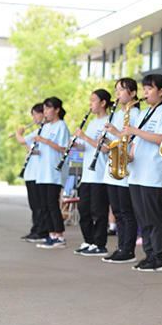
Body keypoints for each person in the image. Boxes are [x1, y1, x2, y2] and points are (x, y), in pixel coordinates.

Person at [123, 74, 162, 272]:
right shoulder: (146, 112)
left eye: (149, 89)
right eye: (144, 89)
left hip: (153, 173)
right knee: (142, 218)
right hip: (137, 172)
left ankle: (161, 258)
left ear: (161, 91)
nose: (145, 93)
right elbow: (137, 143)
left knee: (154, 217)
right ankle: (149, 254)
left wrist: (134, 131)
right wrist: (127, 156)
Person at [101, 78, 142, 264]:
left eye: (121, 90)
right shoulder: (117, 113)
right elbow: (115, 141)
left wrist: (117, 133)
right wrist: (106, 141)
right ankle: (120, 247)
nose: (117, 94)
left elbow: (133, 140)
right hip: (114, 166)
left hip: (128, 168)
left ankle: (128, 249)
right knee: (117, 211)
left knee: (126, 212)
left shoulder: (136, 113)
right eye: (116, 90)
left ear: (133, 93)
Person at [72, 90, 113, 256]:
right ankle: (88, 241)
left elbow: (105, 148)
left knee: (99, 211)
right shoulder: (91, 123)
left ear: (103, 103)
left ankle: (100, 244)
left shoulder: (109, 122)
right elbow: (87, 147)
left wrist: (85, 137)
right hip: (87, 174)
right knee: (84, 210)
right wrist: (75, 144)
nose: (91, 104)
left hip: (100, 174)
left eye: (93, 101)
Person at [33, 98, 71, 249]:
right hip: (42, 171)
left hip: (54, 171)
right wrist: (34, 150)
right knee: (44, 205)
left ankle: (59, 235)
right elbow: (43, 149)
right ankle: (51, 234)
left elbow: (63, 148)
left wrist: (44, 140)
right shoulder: (45, 126)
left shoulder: (61, 126)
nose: (46, 112)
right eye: (44, 109)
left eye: (48, 109)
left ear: (56, 109)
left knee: (52, 203)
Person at [16, 103, 45, 242]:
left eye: (35, 114)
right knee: (34, 205)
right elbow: (30, 149)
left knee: (38, 205)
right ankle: (36, 229)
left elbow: (22, 141)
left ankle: (40, 230)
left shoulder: (42, 130)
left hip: (38, 174)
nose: (33, 117)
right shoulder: (39, 130)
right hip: (32, 172)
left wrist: (18, 133)